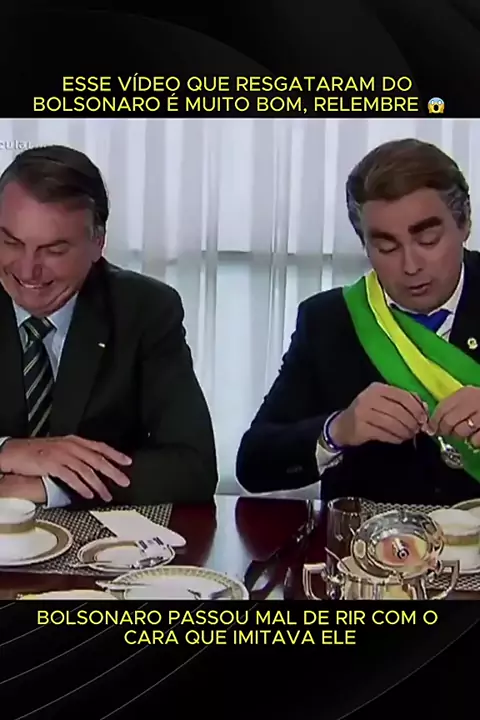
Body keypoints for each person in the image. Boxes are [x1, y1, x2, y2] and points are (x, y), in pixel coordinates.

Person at [236, 138, 480, 505]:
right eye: (386, 247)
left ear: (464, 223)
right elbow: (253, 464)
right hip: (368, 538)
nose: (410, 266)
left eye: (428, 239)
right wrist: (336, 431)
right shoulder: (328, 320)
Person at [0, 144, 218, 507]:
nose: (27, 270)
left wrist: (52, 486)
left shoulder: (145, 310)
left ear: (97, 244)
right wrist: (9, 451)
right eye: (11, 242)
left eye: (53, 250)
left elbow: (192, 466)